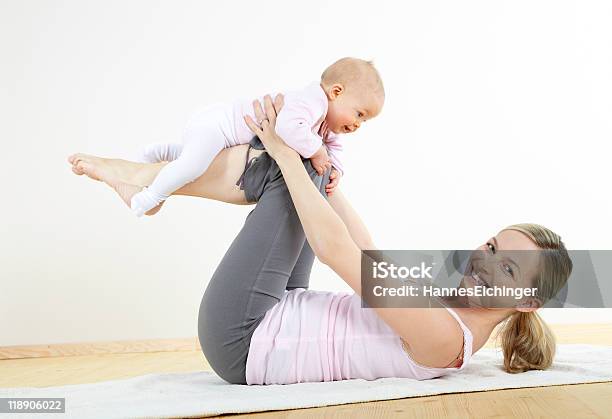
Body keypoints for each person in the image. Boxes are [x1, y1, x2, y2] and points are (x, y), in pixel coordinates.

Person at [67, 95, 572, 385]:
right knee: (309, 173)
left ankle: (146, 180)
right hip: (279, 310)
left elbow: (338, 253)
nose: (485, 262)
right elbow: (369, 255)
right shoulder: (451, 311)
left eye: (507, 268)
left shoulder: (446, 339)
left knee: (294, 171)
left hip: (242, 338)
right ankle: (149, 181)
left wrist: (288, 156)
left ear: (528, 299)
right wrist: (332, 184)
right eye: (491, 247)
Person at [98, 57, 384, 217]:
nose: (359, 125)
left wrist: (336, 169)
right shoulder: (311, 102)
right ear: (336, 92)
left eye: (365, 121)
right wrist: (318, 153)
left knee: (197, 156)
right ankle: (145, 199)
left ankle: (157, 151)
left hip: (220, 135)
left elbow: (332, 150)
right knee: (194, 166)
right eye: (359, 114)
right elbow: (288, 128)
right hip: (218, 124)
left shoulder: (325, 124)